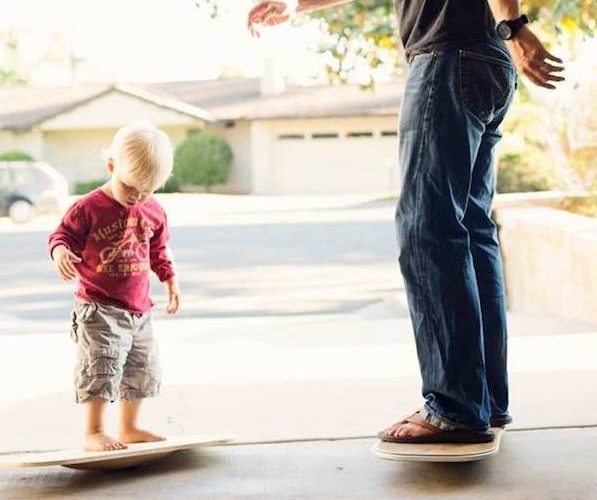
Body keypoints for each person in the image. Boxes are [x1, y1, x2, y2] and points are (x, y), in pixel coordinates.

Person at [248, 0, 564, 443]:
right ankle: (484, 401)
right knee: (471, 233)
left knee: (428, 229)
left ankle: (454, 406)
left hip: (449, 56)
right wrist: (298, 6)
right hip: (481, 59)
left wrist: (513, 26)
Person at [48, 121, 181, 451]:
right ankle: (93, 431)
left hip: (139, 309)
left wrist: (170, 280)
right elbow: (61, 235)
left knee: (140, 368)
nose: (137, 197)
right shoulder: (89, 207)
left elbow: (158, 250)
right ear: (111, 166)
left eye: (147, 191)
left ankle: (130, 427)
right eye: (130, 188)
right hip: (99, 306)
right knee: (101, 366)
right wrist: (61, 252)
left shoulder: (153, 210)